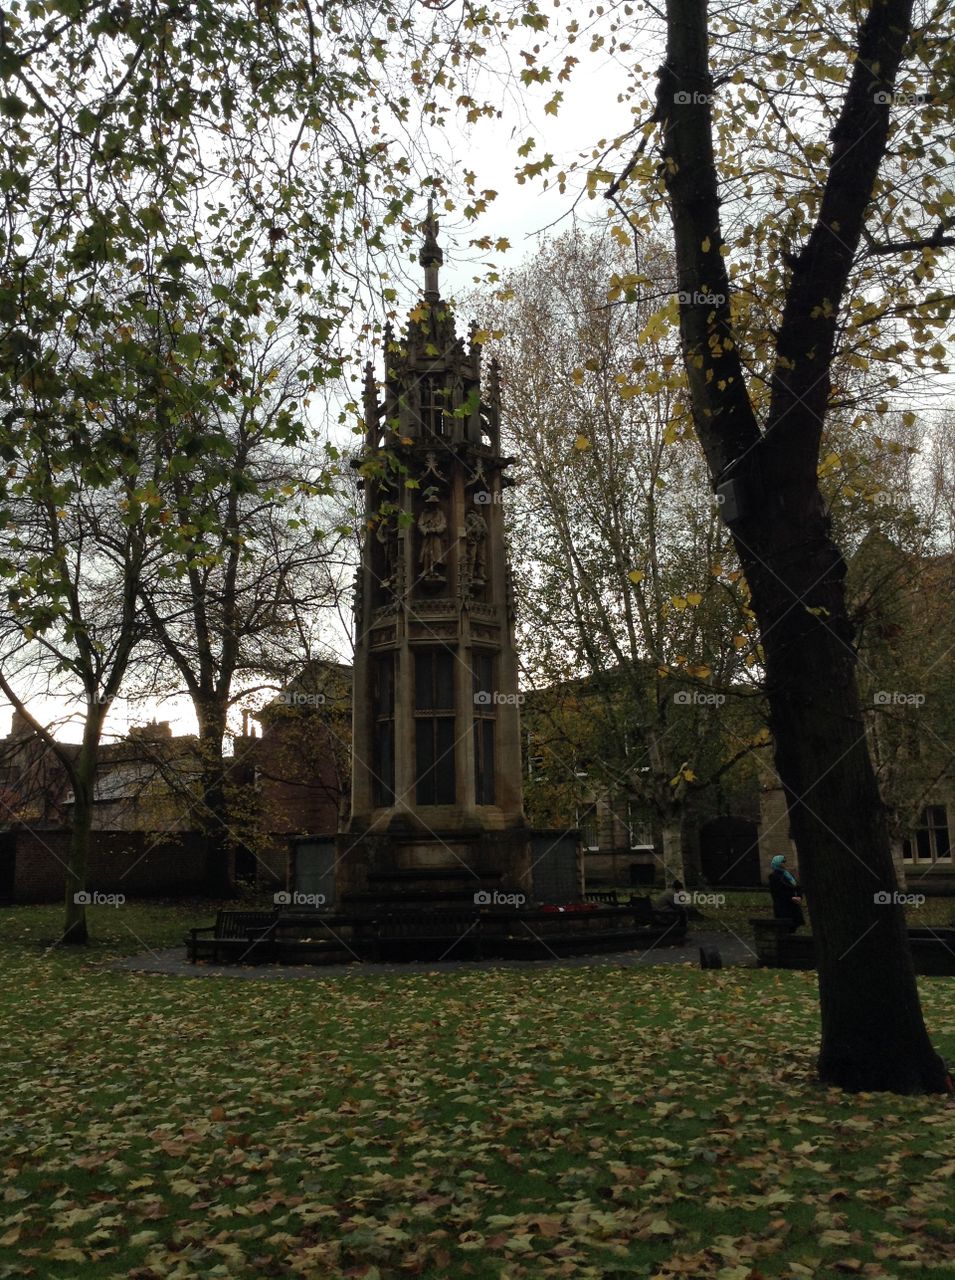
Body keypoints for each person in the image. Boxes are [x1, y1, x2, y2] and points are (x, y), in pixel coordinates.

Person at [768, 854, 805, 931]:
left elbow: (797, 886)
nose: (784, 864)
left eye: (784, 862)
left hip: (794, 906)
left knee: (794, 927)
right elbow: (777, 892)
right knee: (785, 928)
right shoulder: (774, 876)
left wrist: (799, 896)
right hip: (783, 907)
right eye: (782, 862)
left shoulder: (788, 875)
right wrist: (791, 898)